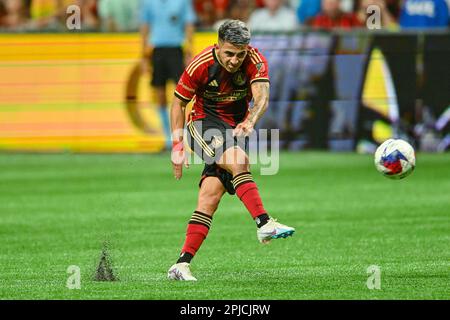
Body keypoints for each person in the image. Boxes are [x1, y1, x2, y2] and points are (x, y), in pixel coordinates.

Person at [167, 20, 295, 281]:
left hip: (234, 130)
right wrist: (178, 145)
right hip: (203, 124)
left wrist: (249, 120)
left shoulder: (256, 60)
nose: (235, 60)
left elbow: (261, 98)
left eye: (240, 54)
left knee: (209, 198)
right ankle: (263, 223)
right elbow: (178, 103)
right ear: (218, 46)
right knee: (239, 160)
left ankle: (181, 265)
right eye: (229, 53)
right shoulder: (200, 64)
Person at [140, 0, 196, 150]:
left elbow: (188, 24)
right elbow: (145, 26)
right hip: (156, 49)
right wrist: (144, 56)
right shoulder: (148, 2)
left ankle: (182, 136)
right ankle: (167, 138)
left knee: (183, 94)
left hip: (176, 49)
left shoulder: (182, 2)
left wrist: (189, 49)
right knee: (159, 93)